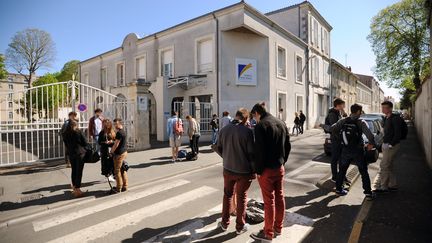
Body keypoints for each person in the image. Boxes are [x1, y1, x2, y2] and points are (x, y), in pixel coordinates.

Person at [250, 103, 291, 242]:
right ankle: (278, 228)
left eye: (253, 117)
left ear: (256, 113)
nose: (254, 120)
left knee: (269, 202)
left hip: (266, 169)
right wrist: (283, 161)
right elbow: (288, 145)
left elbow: (259, 151)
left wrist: (259, 170)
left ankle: (268, 233)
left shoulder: (261, 126)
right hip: (279, 167)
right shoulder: (280, 122)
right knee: (280, 197)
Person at [214, 108, 255, 235]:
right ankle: (240, 226)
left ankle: (224, 223)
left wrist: (226, 157)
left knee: (227, 195)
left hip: (228, 169)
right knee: (242, 197)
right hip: (243, 171)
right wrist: (254, 171)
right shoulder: (248, 132)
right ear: (246, 119)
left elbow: (218, 147)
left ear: (236, 116)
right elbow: (251, 154)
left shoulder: (224, 129)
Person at [330, 104, 376, 200]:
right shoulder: (361, 122)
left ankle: (339, 189)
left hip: (346, 150)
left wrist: (341, 139)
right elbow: (370, 136)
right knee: (363, 171)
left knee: (342, 170)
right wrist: (371, 144)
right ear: (358, 112)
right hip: (358, 150)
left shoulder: (343, 120)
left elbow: (332, 129)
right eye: (361, 111)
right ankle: (368, 193)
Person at [373, 101, 403, 193]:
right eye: (382, 108)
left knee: (384, 166)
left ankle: (383, 187)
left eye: (385, 107)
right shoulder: (386, 118)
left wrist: (391, 144)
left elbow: (398, 133)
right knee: (389, 166)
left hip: (391, 146)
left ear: (390, 108)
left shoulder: (395, 118)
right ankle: (393, 185)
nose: (383, 109)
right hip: (386, 144)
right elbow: (385, 132)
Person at [63, 120, 88, 198]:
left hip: (71, 154)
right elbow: (85, 142)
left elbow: (66, 144)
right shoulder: (78, 132)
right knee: (79, 171)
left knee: (74, 171)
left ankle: (74, 187)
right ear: (75, 125)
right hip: (80, 154)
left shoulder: (65, 134)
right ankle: (78, 190)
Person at [325, 98, 346, 182]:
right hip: (335, 139)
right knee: (335, 158)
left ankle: (341, 176)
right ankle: (334, 177)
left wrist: (344, 113)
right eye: (342, 105)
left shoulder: (338, 112)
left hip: (339, 139)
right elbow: (334, 127)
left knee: (341, 158)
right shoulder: (332, 114)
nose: (344, 106)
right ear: (338, 105)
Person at [110, 118, 128, 193]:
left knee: (117, 171)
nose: (114, 125)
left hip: (119, 154)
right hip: (123, 152)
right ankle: (125, 186)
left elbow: (116, 144)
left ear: (120, 123)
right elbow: (118, 142)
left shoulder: (119, 133)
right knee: (122, 169)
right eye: (114, 124)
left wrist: (111, 151)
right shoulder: (123, 131)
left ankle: (118, 187)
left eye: (116, 124)